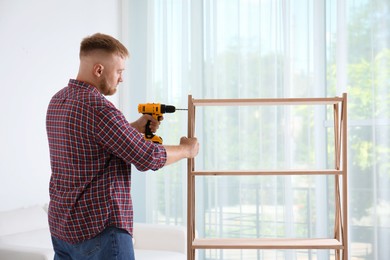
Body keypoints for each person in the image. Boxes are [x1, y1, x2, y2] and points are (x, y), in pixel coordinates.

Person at [46, 33, 199, 260]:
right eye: (119, 71)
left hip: (63, 230)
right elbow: (148, 157)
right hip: (99, 230)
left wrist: (135, 127)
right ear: (99, 70)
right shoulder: (99, 108)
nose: (121, 79)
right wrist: (187, 149)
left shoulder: (58, 100)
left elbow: (92, 143)